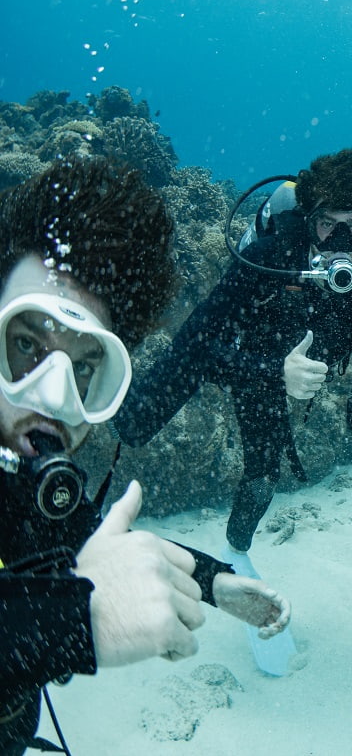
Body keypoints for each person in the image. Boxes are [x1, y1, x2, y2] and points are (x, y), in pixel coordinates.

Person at [0, 157, 290, 755]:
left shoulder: (27, 489)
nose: (53, 398)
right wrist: (72, 623)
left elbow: (83, 535)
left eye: (85, 369)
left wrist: (217, 584)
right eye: (26, 343)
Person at [113, 148, 352, 563]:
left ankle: (235, 553)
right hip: (252, 357)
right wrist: (273, 370)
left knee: (263, 478)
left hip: (274, 370)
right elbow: (194, 345)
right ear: (309, 222)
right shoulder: (268, 258)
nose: (341, 241)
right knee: (133, 426)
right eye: (327, 224)